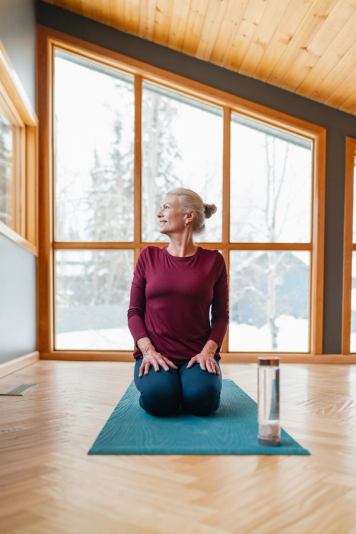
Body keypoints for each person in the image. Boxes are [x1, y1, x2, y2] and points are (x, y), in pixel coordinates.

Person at [127, 187, 229, 417]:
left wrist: (208, 353)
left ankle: (188, 385)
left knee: (203, 403)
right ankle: (168, 386)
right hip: (156, 353)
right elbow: (134, 312)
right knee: (159, 401)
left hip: (197, 355)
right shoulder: (148, 257)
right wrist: (148, 351)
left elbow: (221, 317)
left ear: (188, 216)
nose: (158, 213)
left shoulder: (214, 261)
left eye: (165, 207)